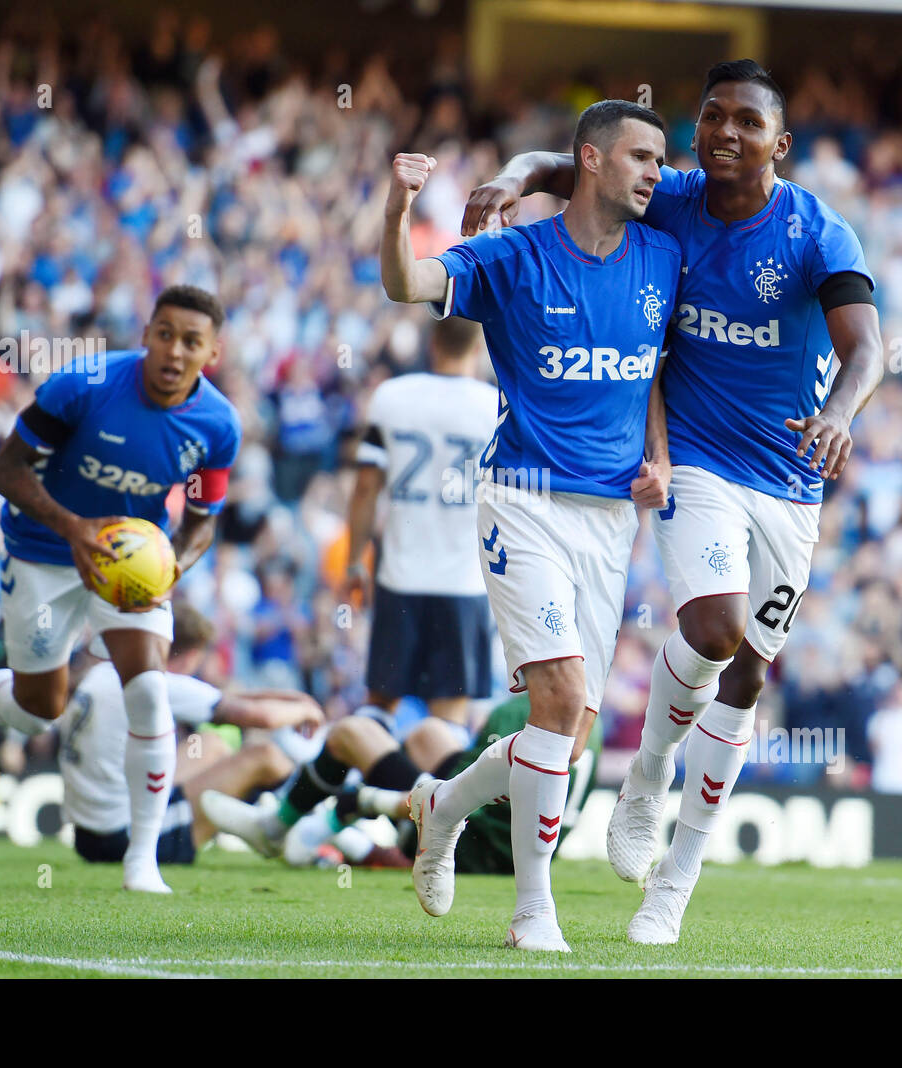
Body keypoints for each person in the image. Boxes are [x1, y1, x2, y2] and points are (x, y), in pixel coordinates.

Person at [462, 60, 883, 944]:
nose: (725, 133)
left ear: (782, 144)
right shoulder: (674, 196)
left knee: (749, 677)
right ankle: (648, 775)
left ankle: (674, 890)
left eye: (747, 122)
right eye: (712, 116)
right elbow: (575, 162)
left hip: (791, 476)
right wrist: (512, 175)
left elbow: (867, 346)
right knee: (716, 626)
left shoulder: (815, 230)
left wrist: (842, 413)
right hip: (694, 459)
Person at [381, 99, 680, 951]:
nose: (657, 172)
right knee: (560, 699)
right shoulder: (514, 256)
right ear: (590, 161)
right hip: (523, 497)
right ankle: (531, 911)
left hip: (611, 517)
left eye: (661, 159)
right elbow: (408, 283)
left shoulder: (664, 254)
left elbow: (652, 369)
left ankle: (441, 805)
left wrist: (655, 454)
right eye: (641, 156)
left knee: (569, 736)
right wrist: (400, 208)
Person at [0, 285, 243, 893]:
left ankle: (141, 860)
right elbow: (5, 469)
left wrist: (171, 567)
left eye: (191, 342)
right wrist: (74, 529)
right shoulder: (83, 385)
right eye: (164, 334)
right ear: (147, 333)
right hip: (45, 550)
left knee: (149, 693)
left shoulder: (217, 425)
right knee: (38, 711)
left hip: (132, 564)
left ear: (213, 352)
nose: (174, 352)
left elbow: (204, 520)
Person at [202, 693, 600, 876]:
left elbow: (477, 784)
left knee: (350, 732)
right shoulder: (588, 717)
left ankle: (287, 825)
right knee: (429, 733)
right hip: (519, 847)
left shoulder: (522, 709)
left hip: (469, 839)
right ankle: (347, 819)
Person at [56, 604, 324, 867]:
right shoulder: (154, 683)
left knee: (211, 745)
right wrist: (306, 710)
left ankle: (279, 819)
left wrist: (291, 698)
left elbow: (226, 698)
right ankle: (315, 833)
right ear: (190, 656)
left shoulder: (105, 674)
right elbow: (261, 717)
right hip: (125, 837)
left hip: (88, 834)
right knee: (265, 757)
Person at [344, 316, 499, 736]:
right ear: (479, 346)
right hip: (465, 585)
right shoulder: (495, 406)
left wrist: (355, 563)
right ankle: (432, 800)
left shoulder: (391, 397)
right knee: (447, 724)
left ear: (432, 341)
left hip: (401, 577)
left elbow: (364, 488)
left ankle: (368, 793)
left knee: (378, 708)